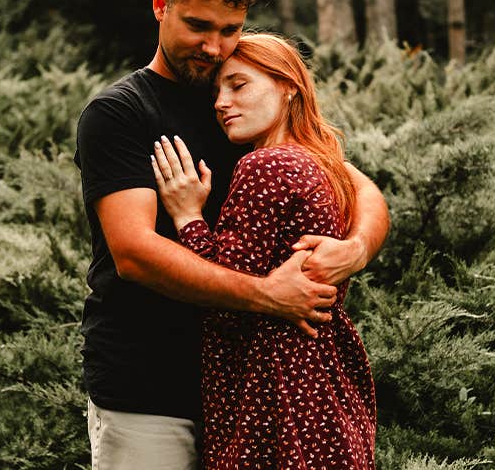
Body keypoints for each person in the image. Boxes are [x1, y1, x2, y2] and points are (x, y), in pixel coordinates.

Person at [73, 0, 389, 469]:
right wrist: (268, 295)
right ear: (160, 5)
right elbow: (133, 253)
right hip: (148, 389)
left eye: (230, 30)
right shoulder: (119, 114)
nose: (214, 48)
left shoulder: (245, 102)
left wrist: (356, 249)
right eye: (197, 26)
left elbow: (361, 186)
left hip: (251, 392)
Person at [151, 33, 376, 468]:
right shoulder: (322, 164)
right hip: (324, 387)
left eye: (239, 85)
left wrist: (187, 217)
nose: (220, 102)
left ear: (288, 86)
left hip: (276, 398)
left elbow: (227, 304)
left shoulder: (265, 166)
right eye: (217, 90)